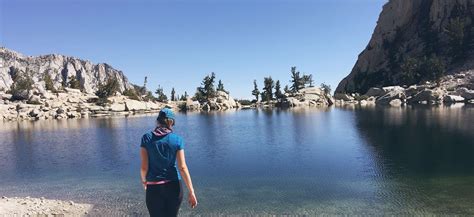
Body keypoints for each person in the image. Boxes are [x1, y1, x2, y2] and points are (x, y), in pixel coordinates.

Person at [140, 108, 197, 217]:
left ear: (158, 121)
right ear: (171, 122)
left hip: (154, 186)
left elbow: (144, 167)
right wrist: (191, 191)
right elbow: (182, 167)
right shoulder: (177, 140)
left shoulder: (146, 138)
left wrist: (144, 181)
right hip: (174, 186)